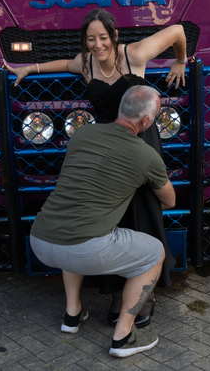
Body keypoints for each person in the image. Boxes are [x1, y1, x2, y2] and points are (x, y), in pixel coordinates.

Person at [4, 8, 186, 326]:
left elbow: (178, 31)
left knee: (143, 208)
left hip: (140, 142)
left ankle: (146, 292)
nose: (97, 44)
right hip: (105, 145)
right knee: (109, 214)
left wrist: (181, 61)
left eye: (103, 37)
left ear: (114, 35)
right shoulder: (85, 61)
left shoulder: (135, 53)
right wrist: (28, 68)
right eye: (91, 39)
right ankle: (117, 291)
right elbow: (61, 64)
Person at [30, 86, 176, 357]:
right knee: (155, 254)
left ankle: (72, 316)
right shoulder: (147, 155)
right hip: (85, 249)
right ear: (145, 121)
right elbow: (170, 201)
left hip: (41, 239)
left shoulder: (83, 133)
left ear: (122, 108)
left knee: (74, 231)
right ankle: (123, 337)